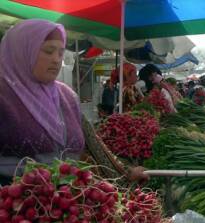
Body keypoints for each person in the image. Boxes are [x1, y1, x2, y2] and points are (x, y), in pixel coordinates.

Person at [0, 19, 147, 185]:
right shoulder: (4, 97)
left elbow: (93, 144)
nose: (56, 59)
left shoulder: (67, 96)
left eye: (60, 52)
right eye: (48, 51)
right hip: (17, 205)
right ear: (21, 52)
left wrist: (126, 173)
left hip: (71, 202)